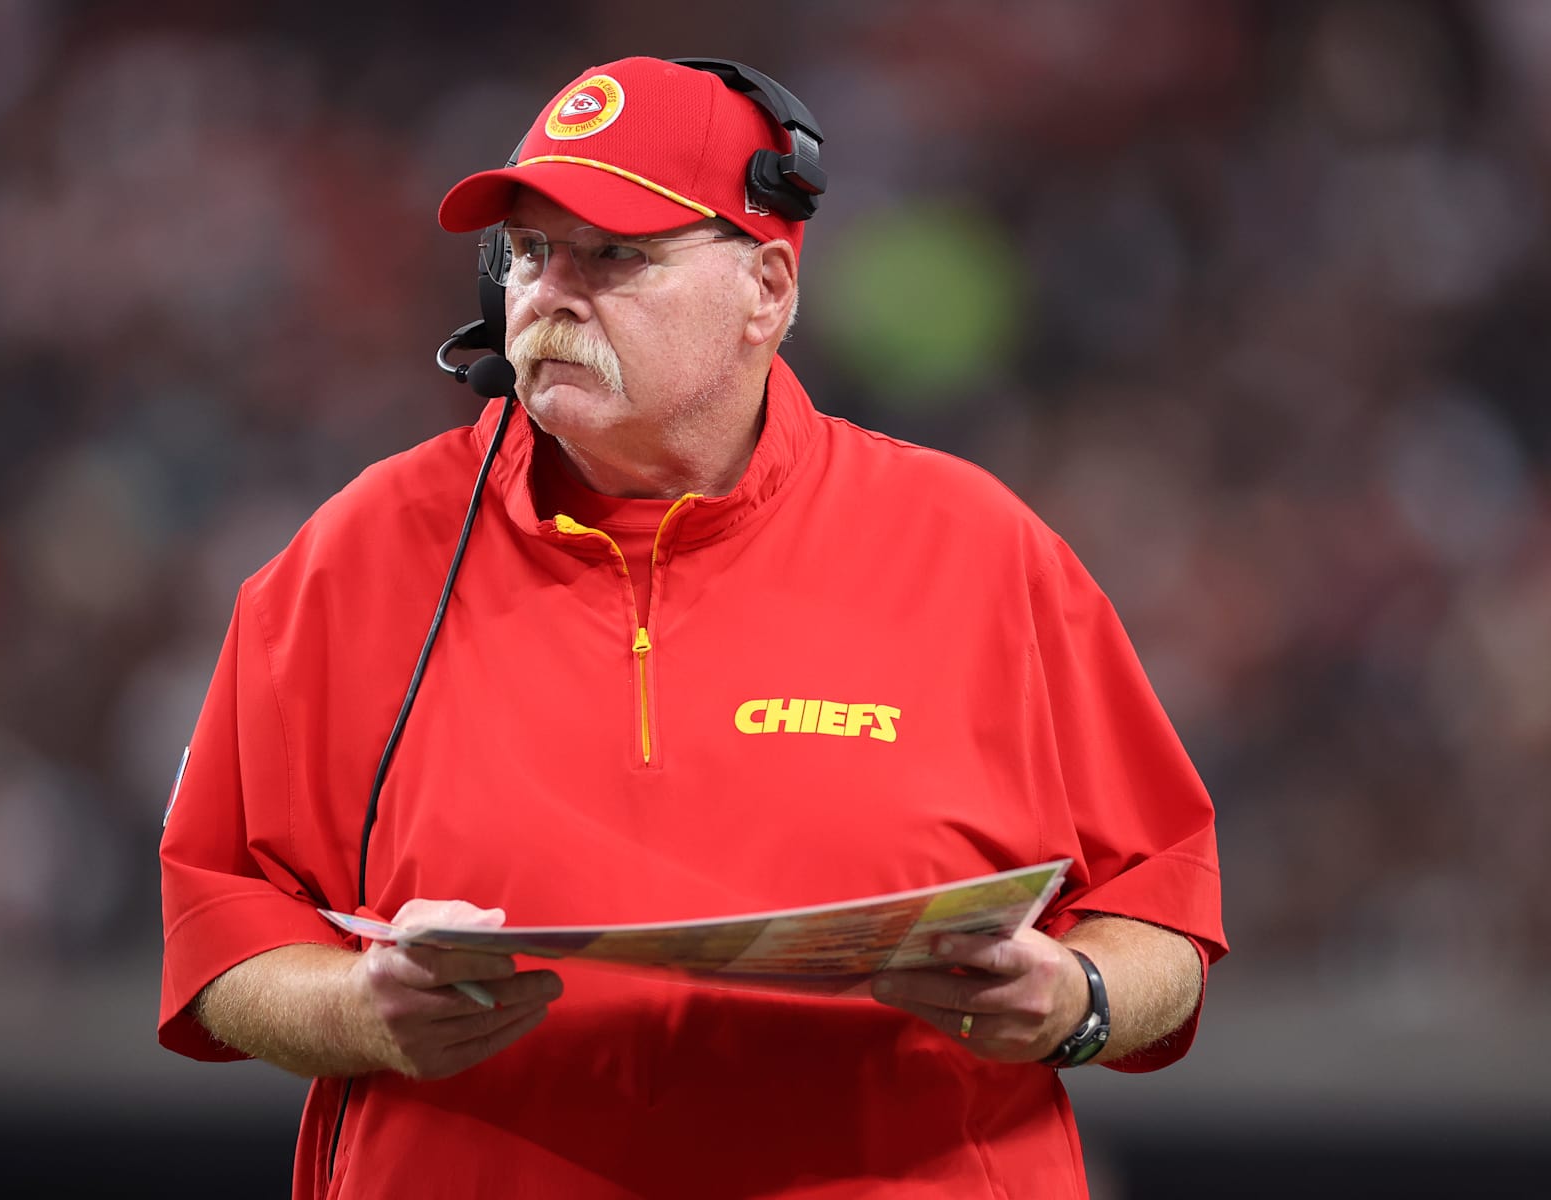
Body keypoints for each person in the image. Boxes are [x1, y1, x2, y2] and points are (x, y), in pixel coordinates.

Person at [159, 55, 1227, 1200]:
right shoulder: (355, 556)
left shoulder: (978, 549)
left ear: (767, 288)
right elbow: (223, 935)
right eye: (529, 251)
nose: (550, 293)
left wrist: (1076, 1002)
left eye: (614, 255)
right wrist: (357, 1012)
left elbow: (1159, 914)